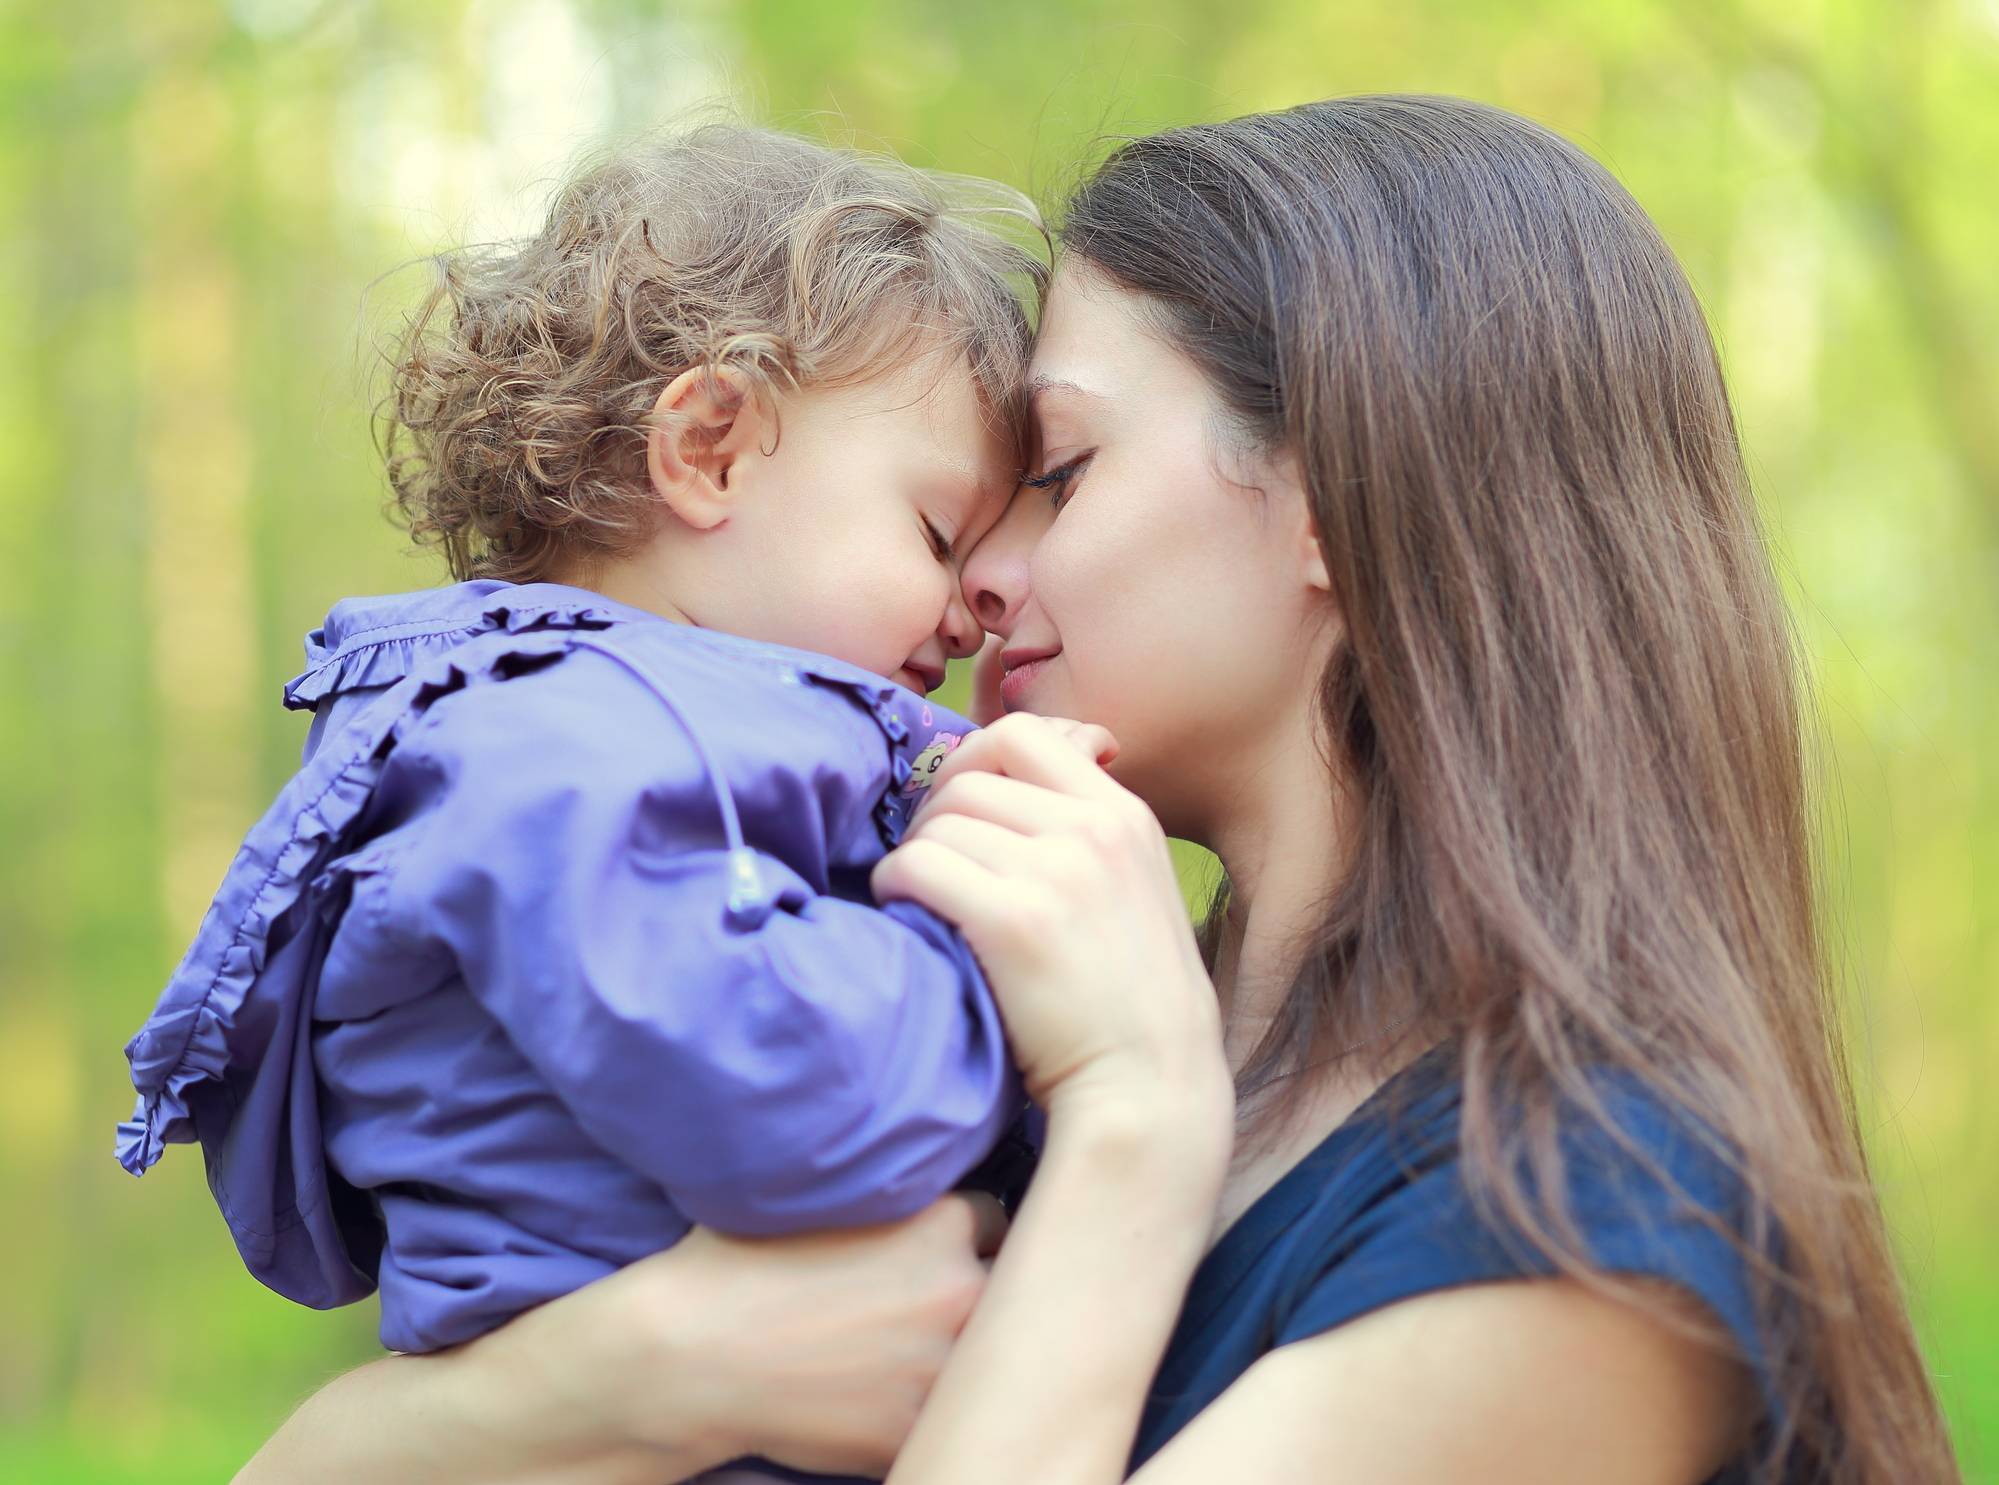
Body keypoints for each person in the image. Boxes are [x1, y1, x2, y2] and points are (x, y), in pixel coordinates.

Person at [234, 96, 1960, 1485]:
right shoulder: (1043, 1026)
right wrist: (629, 1373)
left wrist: (1138, 1113)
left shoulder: (1586, 1231)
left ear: (1334, 506)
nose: (978, 581)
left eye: (1057, 468)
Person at [112, 123, 1074, 1483]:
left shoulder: (594, 735)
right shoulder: (567, 747)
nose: (972, 608)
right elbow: (796, 1102)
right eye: (936, 533)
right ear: (714, 450)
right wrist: (1030, 978)